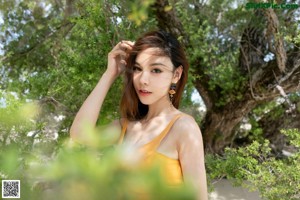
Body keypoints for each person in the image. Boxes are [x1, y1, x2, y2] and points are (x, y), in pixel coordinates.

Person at [70, 30, 208, 200]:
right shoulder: (125, 127)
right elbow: (79, 134)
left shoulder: (184, 128)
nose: (143, 79)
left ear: (176, 74)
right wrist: (109, 74)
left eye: (156, 70)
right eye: (137, 68)